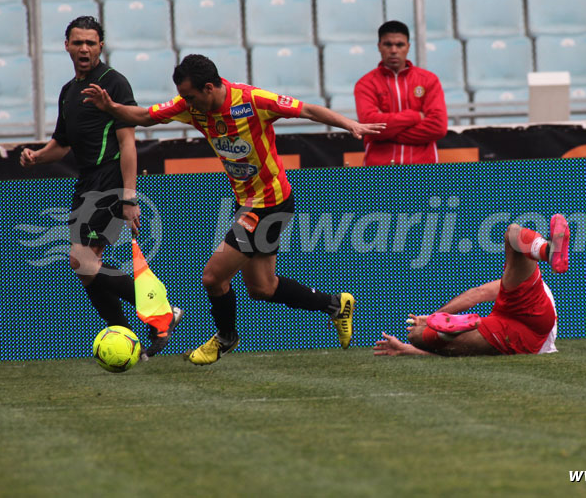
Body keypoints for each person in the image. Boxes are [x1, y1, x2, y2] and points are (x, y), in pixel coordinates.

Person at [81, 54, 385, 365]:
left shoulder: (252, 100)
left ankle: (226, 338)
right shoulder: (191, 106)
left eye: (190, 96)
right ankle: (335, 305)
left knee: (213, 277)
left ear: (209, 87)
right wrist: (112, 109)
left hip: (269, 203)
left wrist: (350, 124)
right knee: (263, 288)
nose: (185, 102)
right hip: (250, 203)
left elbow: (306, 108)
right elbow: (146, 116)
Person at [19, 16, 182, 358]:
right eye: (77, 42)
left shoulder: (113, 83)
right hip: (87, 180)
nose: (84, 48)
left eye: (90, 43)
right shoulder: (68, 92)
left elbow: (128, 144)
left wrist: (128, 196)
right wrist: (37, 157)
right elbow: (61, 145)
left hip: (108, 180)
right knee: (87, 270)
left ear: (100, 47)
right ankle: (129, 336)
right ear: (66, 46)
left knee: (81, 262)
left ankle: (161, 310)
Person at [374, 214, 570, 357]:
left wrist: (436, 317)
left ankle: (447, 330)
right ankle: (548, 251)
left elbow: (478, 293)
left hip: (526, 325)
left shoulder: (519, 286)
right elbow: (453, 354)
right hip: (521, 332)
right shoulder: (520, 287)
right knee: (513, 233)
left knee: (417, 335)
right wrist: (404, 350)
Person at [354, 20, 448, 166]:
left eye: (399, 45)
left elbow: (438, 126)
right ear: (379, 46)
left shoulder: (429, 80)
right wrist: (415, 116)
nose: (393, 50)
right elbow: (370, 126)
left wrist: (389, 133)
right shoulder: (366, 83)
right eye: (388, 44)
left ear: (408, 47)